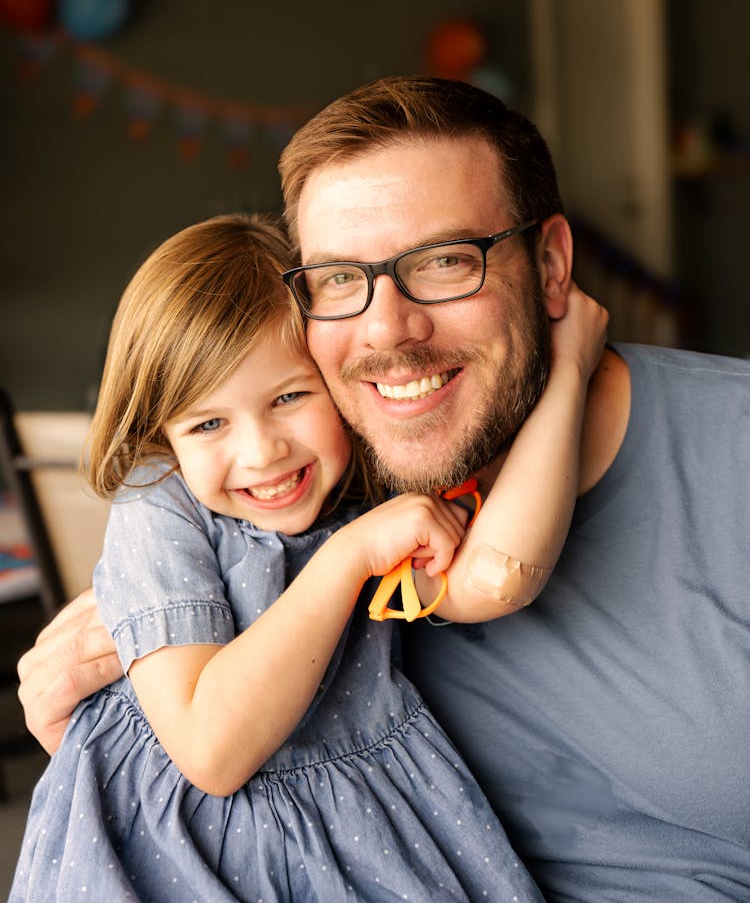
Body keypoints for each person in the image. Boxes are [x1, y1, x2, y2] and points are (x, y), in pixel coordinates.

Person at [18, 75, 750, 902]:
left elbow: (499, 572)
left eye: (444, 261)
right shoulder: (298, 497)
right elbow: (197, 730)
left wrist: (567, 374)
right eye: (337, 278)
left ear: (550, 268)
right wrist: (104, 734)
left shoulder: (728, 451)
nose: (387, 329)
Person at [11, 210, 605, 902]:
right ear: (162, 432)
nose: (263, 451)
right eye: (209, 422)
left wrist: (568, 375)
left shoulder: (369, 494)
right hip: (183, 848)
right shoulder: (162, 503)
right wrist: (348, 558)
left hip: (360, 828)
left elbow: (500, 577)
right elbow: (212, 749)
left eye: (291, 396)